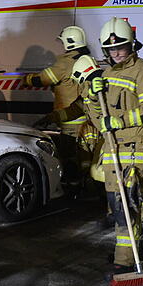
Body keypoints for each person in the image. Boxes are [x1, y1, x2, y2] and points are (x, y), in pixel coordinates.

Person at [88, 17, 143, 276]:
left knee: (127, 204)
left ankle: (125, 262)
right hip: (112, 149)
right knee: (116, 205)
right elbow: (100, 120)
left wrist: (118, 121)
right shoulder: (107, 74)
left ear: (132, 45)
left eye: (121, 47)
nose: (116, 52)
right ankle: (129, 252)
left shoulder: (142, 70)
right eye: (111, 49)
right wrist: (91, 95)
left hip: (134, 147)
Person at [28, 26, 92, 184]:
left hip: (70, 117)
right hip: (88, 116)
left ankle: (73, 184)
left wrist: (27, 79)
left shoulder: (64, 62)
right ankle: (88, 183)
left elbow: (43, 79)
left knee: (69, 155)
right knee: (86, 155)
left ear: (69, 43)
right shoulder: (87, 60)